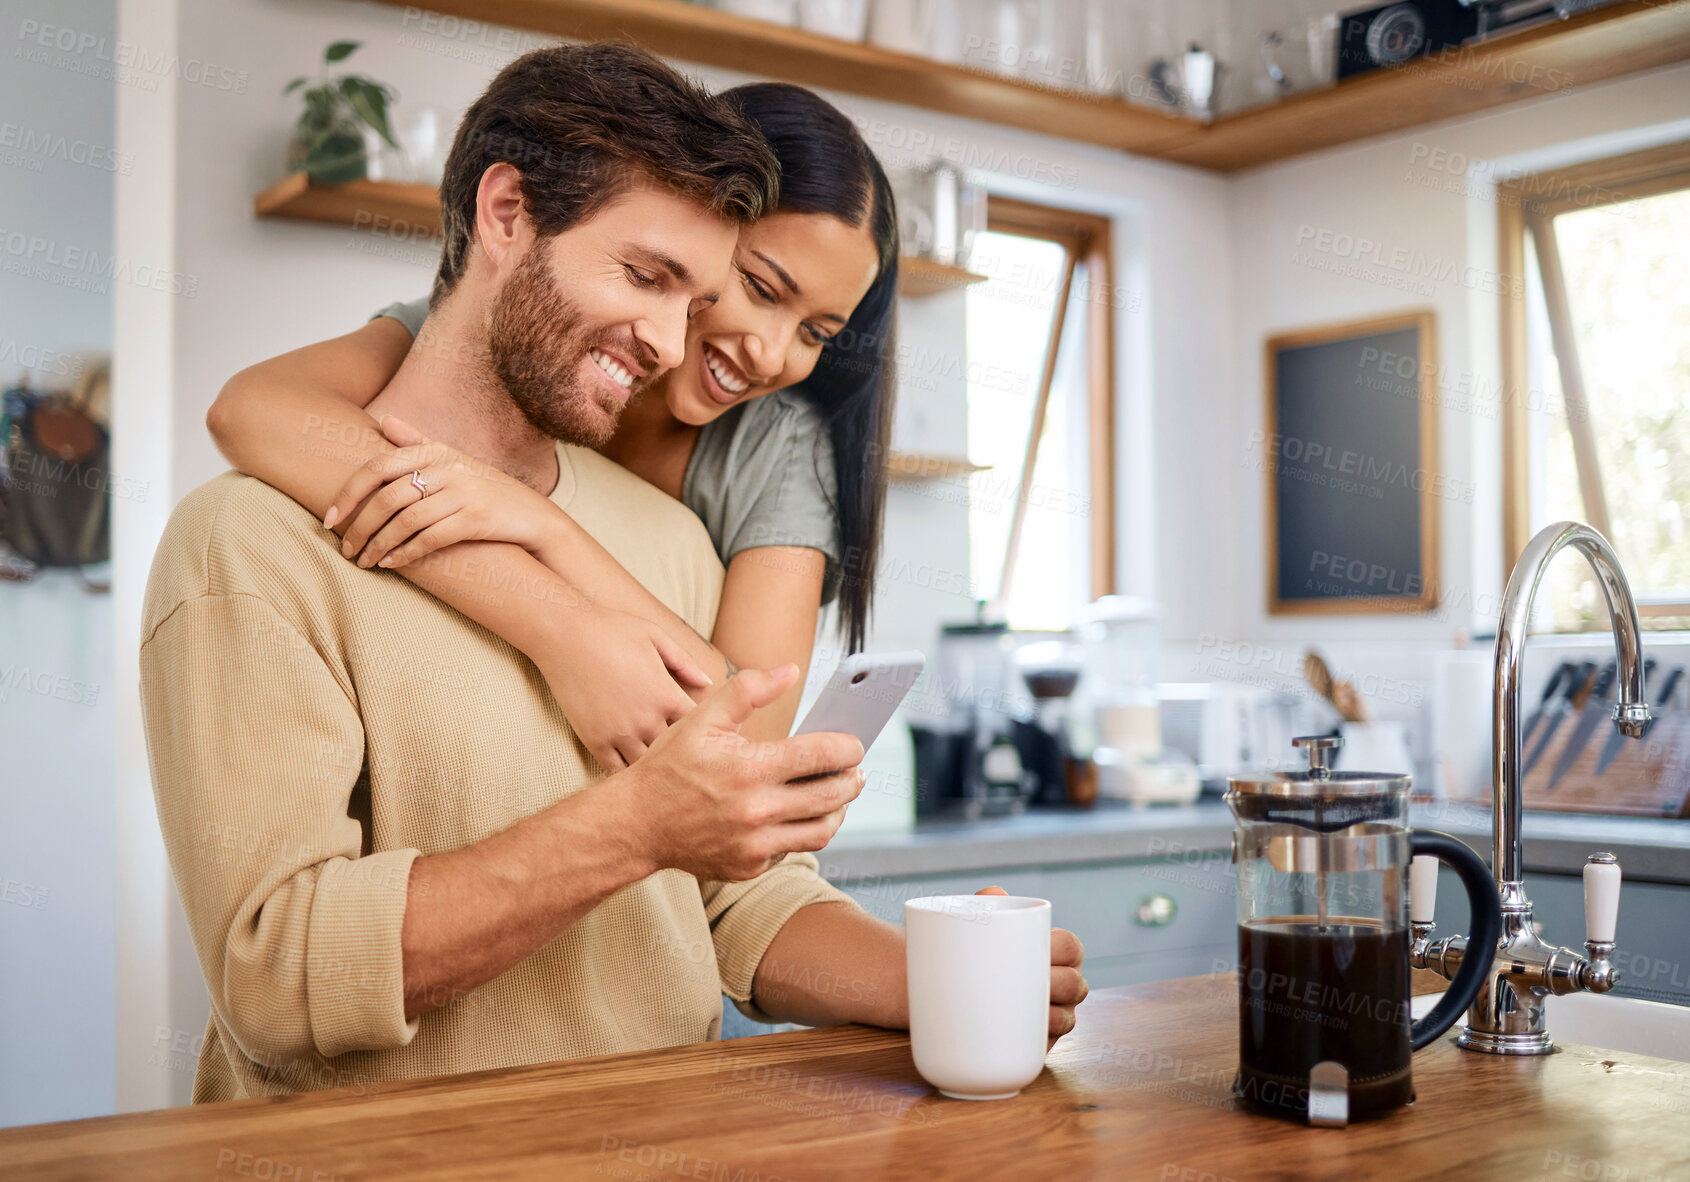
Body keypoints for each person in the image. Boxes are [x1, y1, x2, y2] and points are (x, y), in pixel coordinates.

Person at [143, 43, 1085, 1103]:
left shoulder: (681, 544)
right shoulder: (248, 545)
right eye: (648, 276)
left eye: (694, 300)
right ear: (505, 216)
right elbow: (280, 980)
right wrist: (634, 821)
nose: (668, 340)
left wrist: (930, 979)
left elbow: (734, 899)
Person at [206, 82, 901, 768]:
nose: (771, 352)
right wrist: (558, 627)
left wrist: (543, 525)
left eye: (816, 331)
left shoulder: (777, 450)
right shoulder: (519, 329)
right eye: (759, 289)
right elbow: (254, 410)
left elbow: (754, 734)